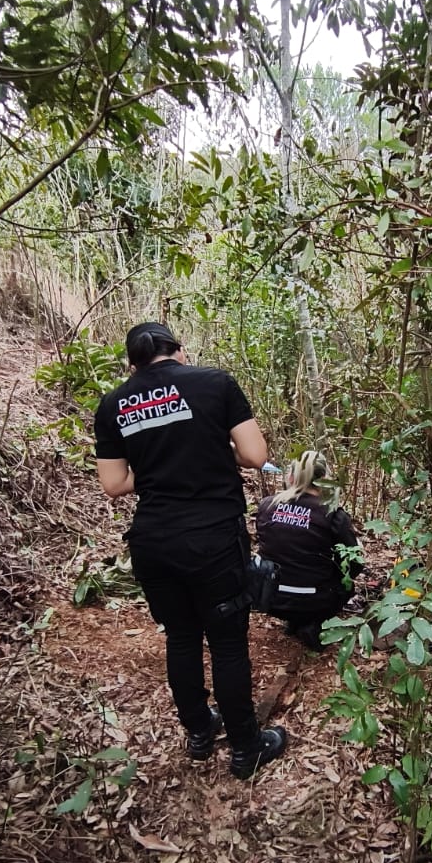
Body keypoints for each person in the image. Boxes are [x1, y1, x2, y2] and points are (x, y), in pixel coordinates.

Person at [93, 321, 286, 779]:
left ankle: (199, 731)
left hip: (154, 543)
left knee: (180, 636)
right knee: (227, 643)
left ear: (132, 363)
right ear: (180, 352)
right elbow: (257, 456)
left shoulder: (113, 403)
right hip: (212, 540)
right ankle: (245, 747)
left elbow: (114, 483)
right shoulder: (214, 383)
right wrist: (205, 447)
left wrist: (158, 461)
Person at [255, 450, 362, 651]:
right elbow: (354, 563)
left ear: (291, 476)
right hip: (315, 600)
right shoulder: (332, 514)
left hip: (269, 597)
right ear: (324, 479)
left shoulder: (267, 506)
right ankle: (310, 623)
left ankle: (294, 620)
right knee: (346, 584)